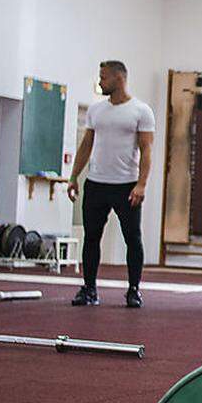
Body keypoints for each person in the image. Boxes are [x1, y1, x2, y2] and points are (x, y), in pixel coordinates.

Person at [67, 60, 155, 308]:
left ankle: (134, 290)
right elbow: (86, 145)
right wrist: (74, 177)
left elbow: (146, 150)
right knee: (91, 238)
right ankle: (89, 289)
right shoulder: (96, 110)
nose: (100, 82)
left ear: (119, 78)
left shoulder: (141, 110)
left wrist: (142, 184)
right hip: (96, 184)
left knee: (132, 238)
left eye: (104, 77)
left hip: (126, 185)